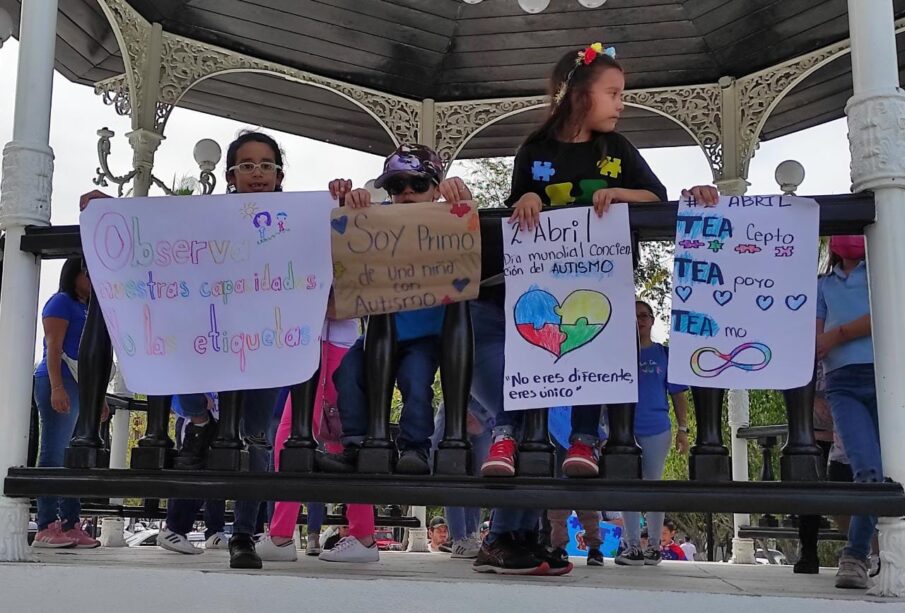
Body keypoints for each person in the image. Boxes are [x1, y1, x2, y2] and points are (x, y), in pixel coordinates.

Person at [472, 41, 719, 575]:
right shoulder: (534, 148)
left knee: (594, 362)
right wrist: (527, 201)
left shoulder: (618, 147)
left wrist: (622, 197)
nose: (620, 103)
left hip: (601, 288)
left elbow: (655, 198)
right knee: (538, 363)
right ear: (577, 95)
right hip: (541, 291)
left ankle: (586, 440)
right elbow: (518, 206)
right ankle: (510, 443)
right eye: (612, 93)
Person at [317, 143, 474, 477]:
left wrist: (460, 195)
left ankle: (415, 446)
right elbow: (351, 236)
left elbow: (468, 232)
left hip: (426, 335)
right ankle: (357, 443)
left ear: (435, 190)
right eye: (395, 186)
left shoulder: (447, 221)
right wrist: (351, 202)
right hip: (378, 332)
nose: (406, 193)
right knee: (347, 373)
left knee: (416, 381)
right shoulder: (377, 224)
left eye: (418, 185)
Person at [816, 234, 880, 590]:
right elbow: (814, 338)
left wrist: (837, 334)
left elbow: (885, 313)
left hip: (889, 378)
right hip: (842, 384)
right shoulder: (822, 284)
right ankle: (856, 555)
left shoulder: (883, 270)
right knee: (868, 471)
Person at [31, 259, 102, 549]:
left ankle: (72, 522)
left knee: (75, 455)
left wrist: (97, 399)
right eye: (88, 271)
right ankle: (46, 523)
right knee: (54, 450)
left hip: (79, 384)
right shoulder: (60, 302)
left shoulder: (90, 308)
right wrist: (58, 387)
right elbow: (54, 347)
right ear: (75, 274)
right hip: (57, 378)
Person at [615, 300, 689, 566]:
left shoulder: (664, 354)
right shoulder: (617, 354)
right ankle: (632, 544)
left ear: (652, 320)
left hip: (657, 429)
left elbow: (678, 395)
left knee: (653, 485)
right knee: (626, 487)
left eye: (644, 315)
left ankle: (654, 545)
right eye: (634, 316)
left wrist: (683, 429)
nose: (640, 320)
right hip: (624, 431)